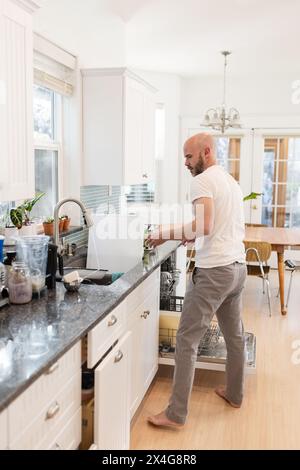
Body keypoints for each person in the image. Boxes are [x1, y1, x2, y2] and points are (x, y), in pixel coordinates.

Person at [147, 133, 247, 427]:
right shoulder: (229, 181)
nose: (186, 164)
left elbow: (203, 225)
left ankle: (175, 414)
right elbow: (218, 227)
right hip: (237, 269)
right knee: (235, 337)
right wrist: (187, 238)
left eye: (189, 157)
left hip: (214, 273)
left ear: (206, 151)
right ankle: (235, 393)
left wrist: (164, 233)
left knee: (186, 340)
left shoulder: (201, 181)